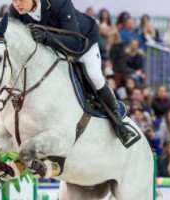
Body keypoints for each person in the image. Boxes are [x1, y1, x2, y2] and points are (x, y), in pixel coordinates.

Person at [9, 0, 140, 147]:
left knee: (94, 76)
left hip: (83, 43)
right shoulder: (15, 11)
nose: (17, 3)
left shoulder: (59, 3)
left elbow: (75, 42)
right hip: (52, 49)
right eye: (13, 0)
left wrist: (46, 37)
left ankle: (118, 122)